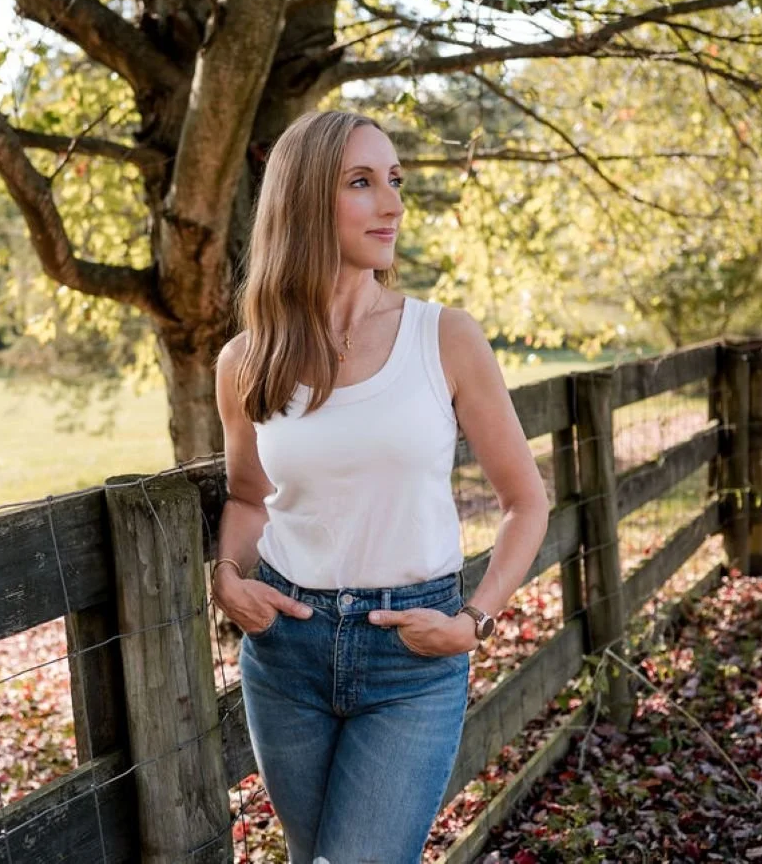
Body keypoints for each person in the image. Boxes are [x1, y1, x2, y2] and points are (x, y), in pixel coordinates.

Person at [211, 110, 550, 863]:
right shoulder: (246, 360)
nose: (392, 203)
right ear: (301, 202)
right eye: (362, 182)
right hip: (285, 654)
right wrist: (228, 575)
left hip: (413, 657)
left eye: (393, 180)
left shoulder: (445, 337)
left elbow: (528, 501)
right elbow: (246, 496)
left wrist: (477, 621)